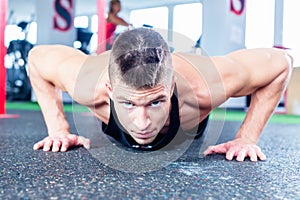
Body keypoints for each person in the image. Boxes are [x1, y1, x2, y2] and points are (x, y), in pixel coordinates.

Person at [28, 28, 293, 162]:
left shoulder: (206, 86)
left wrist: (246, 137)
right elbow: (36, 59)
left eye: (155, 102)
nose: (142, 123)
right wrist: (58, 129)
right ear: (110, 90)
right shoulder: (85, 81)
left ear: (171, 87)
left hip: (187, 120)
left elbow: (282, 63)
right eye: (128, 103)